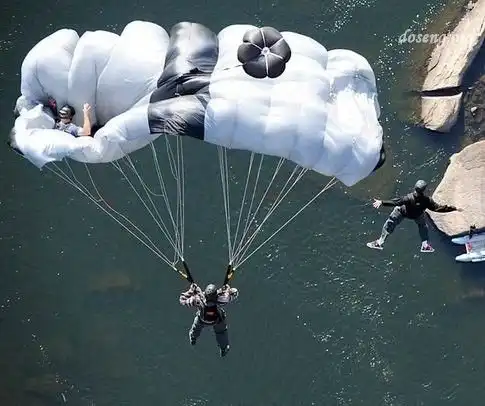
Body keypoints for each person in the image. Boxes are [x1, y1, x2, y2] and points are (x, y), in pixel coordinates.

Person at [367, 180, 461, 252]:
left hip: (403, 212)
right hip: (417, 215)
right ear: (424, 189)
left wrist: (382, 202)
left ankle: (379, 242)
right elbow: (438, 208)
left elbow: (395, 202)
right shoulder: (427, 200)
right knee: (423, 226)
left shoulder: (408, 197)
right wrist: (453, 208)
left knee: (391, 222)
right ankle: (425, 246)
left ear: (415, 188)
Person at [179, 282, 238, 357]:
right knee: (221, 332)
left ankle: (193, 338)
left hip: (202, 320)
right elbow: (234, 293)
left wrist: (191, 290)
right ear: (216, 295)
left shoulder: (198, 300)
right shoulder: (221, 299)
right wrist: (227, 289)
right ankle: (224, 348)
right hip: (217, 320)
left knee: (196, 327)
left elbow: (182, 299)